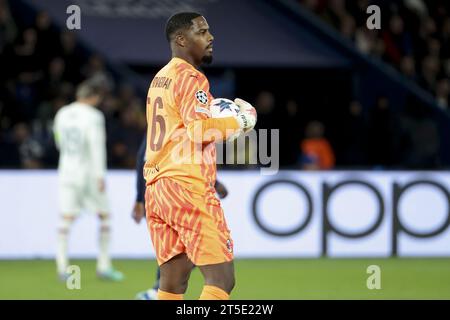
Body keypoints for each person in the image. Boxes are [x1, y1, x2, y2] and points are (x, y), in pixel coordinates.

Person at [143, 12, 256, 300]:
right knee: (221, 278)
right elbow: (198, 130)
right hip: (187, 186)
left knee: (173, 281)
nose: (210, 37)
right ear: (181, 39)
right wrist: (240, 122)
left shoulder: (161, 78)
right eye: (202, 32)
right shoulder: (191, 78)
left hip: (158, 189)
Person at [132, 137, 229, 300]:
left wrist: (215, 183)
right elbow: (146, 157)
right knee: (199, 248)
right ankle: (157, 291)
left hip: (168, 193)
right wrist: (139, 198)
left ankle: (158, 291)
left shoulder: (168, 124)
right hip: (181, 194)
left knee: (181, 248)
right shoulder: (180, 122)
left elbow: (149, 157)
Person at [53, 79, 124, 282]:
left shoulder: (62, 113)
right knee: (105, 216)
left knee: (65, 218)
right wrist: (100, 175)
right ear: (94, 97)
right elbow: (96, 147)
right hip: (89, 173)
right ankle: (104, 266)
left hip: (66, 171)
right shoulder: (94, 116)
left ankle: (62, 268)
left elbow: (59, 141)